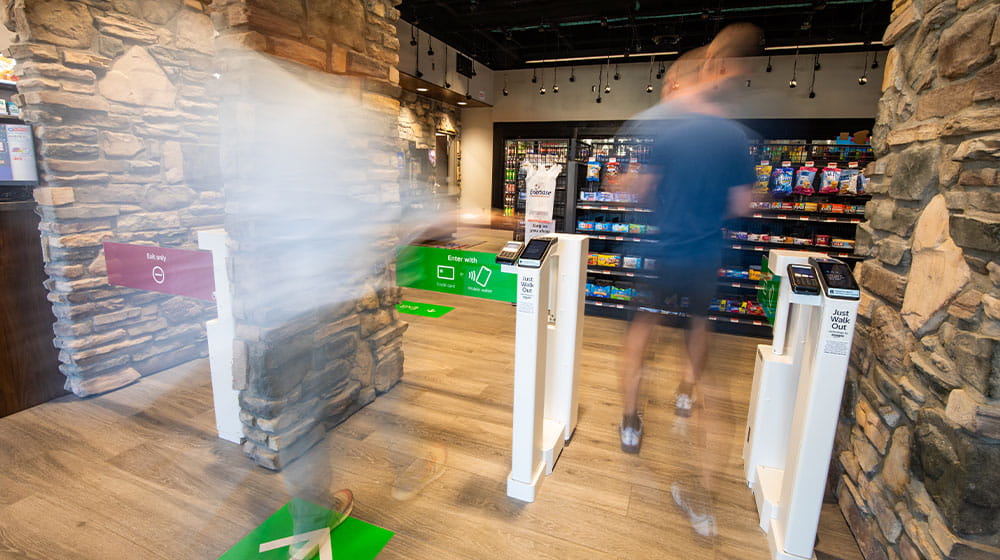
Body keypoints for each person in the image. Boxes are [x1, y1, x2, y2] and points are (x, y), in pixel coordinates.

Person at [618, 26, 760, 452]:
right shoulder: (734, 136)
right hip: (705, 251)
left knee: (643, 328)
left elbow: (643, 190)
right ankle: (684, 393)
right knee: (698, 325)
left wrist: (645, 192)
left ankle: (630, 420)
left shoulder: (667, 129)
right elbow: (741, 204)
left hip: (662, 249)